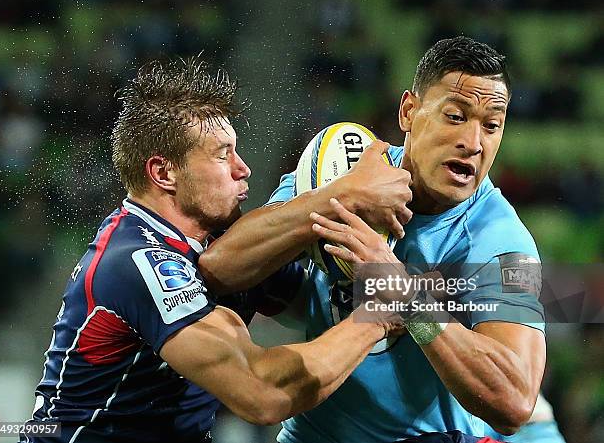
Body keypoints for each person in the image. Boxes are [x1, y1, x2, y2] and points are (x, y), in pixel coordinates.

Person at [20, 57, 414, 443]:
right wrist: (376, 318)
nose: (244, 169)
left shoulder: (218, 245)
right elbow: (261, 394)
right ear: (164, 173)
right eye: (223, 154)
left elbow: (317, 303)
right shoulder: (137, 262)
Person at [199, 36, 547, 442]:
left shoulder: (505, 244)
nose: (473, 143)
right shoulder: (342, 168)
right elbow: (220, 267)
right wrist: (336, 198)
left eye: (491, 126)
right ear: (409, 112)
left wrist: (408, 298)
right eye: (455, 116)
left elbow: (516, 403)